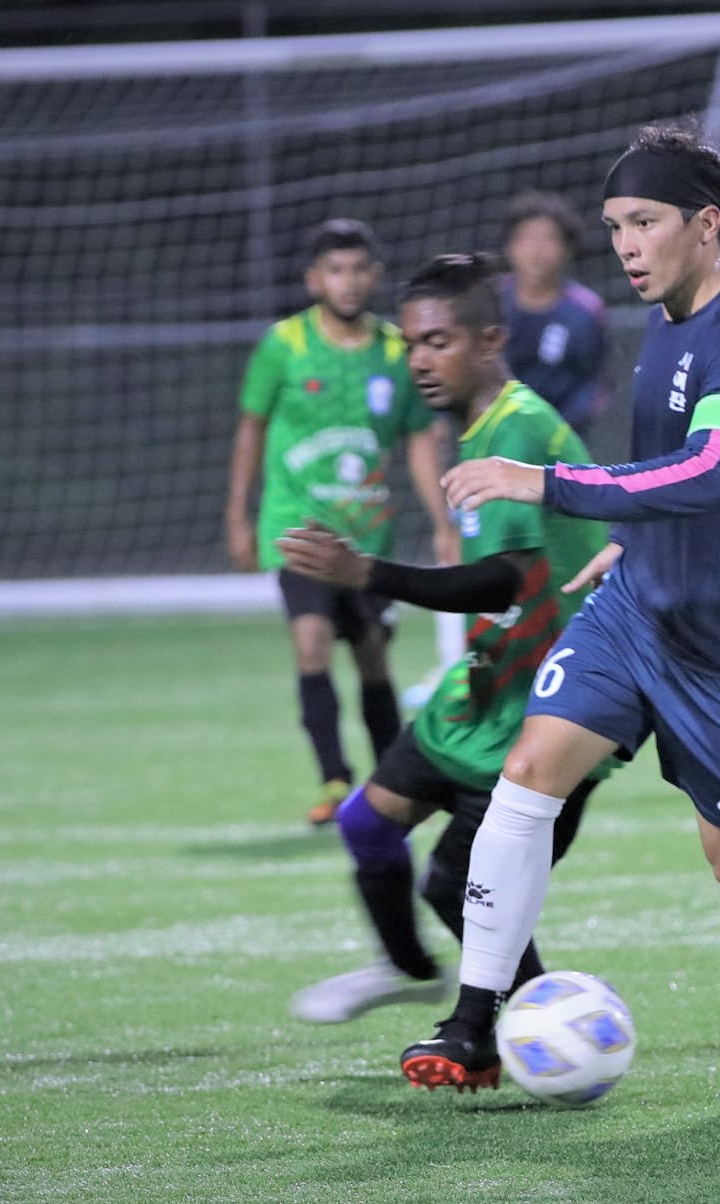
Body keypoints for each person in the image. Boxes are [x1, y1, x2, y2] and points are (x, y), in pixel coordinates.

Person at [400, 123, 720, 1094]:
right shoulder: (663, 325)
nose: (625, 244)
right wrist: (630, 537)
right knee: (528, 773)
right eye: (616, 224)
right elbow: (676, 483)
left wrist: (547, 482)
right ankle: (470, 1022)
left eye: (646, 222)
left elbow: (713, 472)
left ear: (705, 225)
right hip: (638, 609)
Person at [277, 253, 614, 1029]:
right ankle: (408, 969)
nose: (421, 361)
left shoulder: (520, 428)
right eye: (413, 345)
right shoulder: (479, 428)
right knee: (365, 823)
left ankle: (534, 1032)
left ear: (489, 340)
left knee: (458, 884)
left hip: (551, 706)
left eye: (439, 342)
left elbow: (502, 579)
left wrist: (366, 572)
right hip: (491, 684)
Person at [225, 219, 459, 827]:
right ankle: (333, 778)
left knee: (374, 658)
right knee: (310, 646)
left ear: (375, 277)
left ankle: (390, 783)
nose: (348, 282)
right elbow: (251, 428)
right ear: (313, 280)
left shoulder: (394, 351)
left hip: (367, 541)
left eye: (358, 270)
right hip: (298, 530)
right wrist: (238, 516)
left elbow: (419, 440)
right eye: (336, 270)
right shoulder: (284, 345)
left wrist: (442, 522)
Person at [500, 190, 610, 437]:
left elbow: (593, 384)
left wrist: (558, 431)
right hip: (496, 434)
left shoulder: (585, 311)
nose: (537, 251)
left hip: (558, 441)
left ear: (567, 248)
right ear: (510, 246)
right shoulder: (490, 302)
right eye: (526, 238)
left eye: (549, 239)